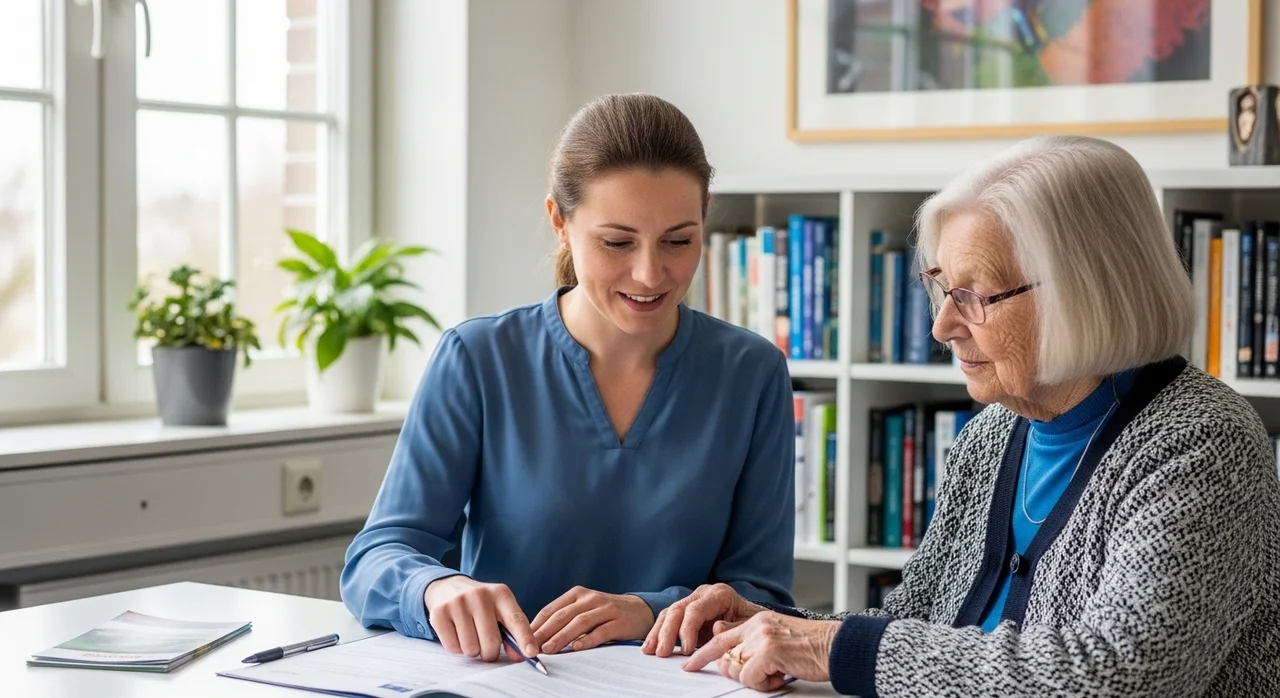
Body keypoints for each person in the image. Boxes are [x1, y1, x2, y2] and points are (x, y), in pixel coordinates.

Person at [644, 135, 1280, 697]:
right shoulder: (992, 435)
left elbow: (1125, 675)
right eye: (943, 287)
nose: (942, 324)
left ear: (1085, 292)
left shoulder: (1203, 445)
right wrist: (766, 625)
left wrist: (828, 649)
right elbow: (921, 622)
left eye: (975, 295)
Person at [339, 93, 796, 665]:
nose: (651, 274)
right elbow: (378, 557)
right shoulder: (478, 359)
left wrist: (649, 610)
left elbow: (764, 595)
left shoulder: (752, 373)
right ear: (560, 221)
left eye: (679, 240)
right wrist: (435, 589)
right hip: (510, 681)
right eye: (617, 242)